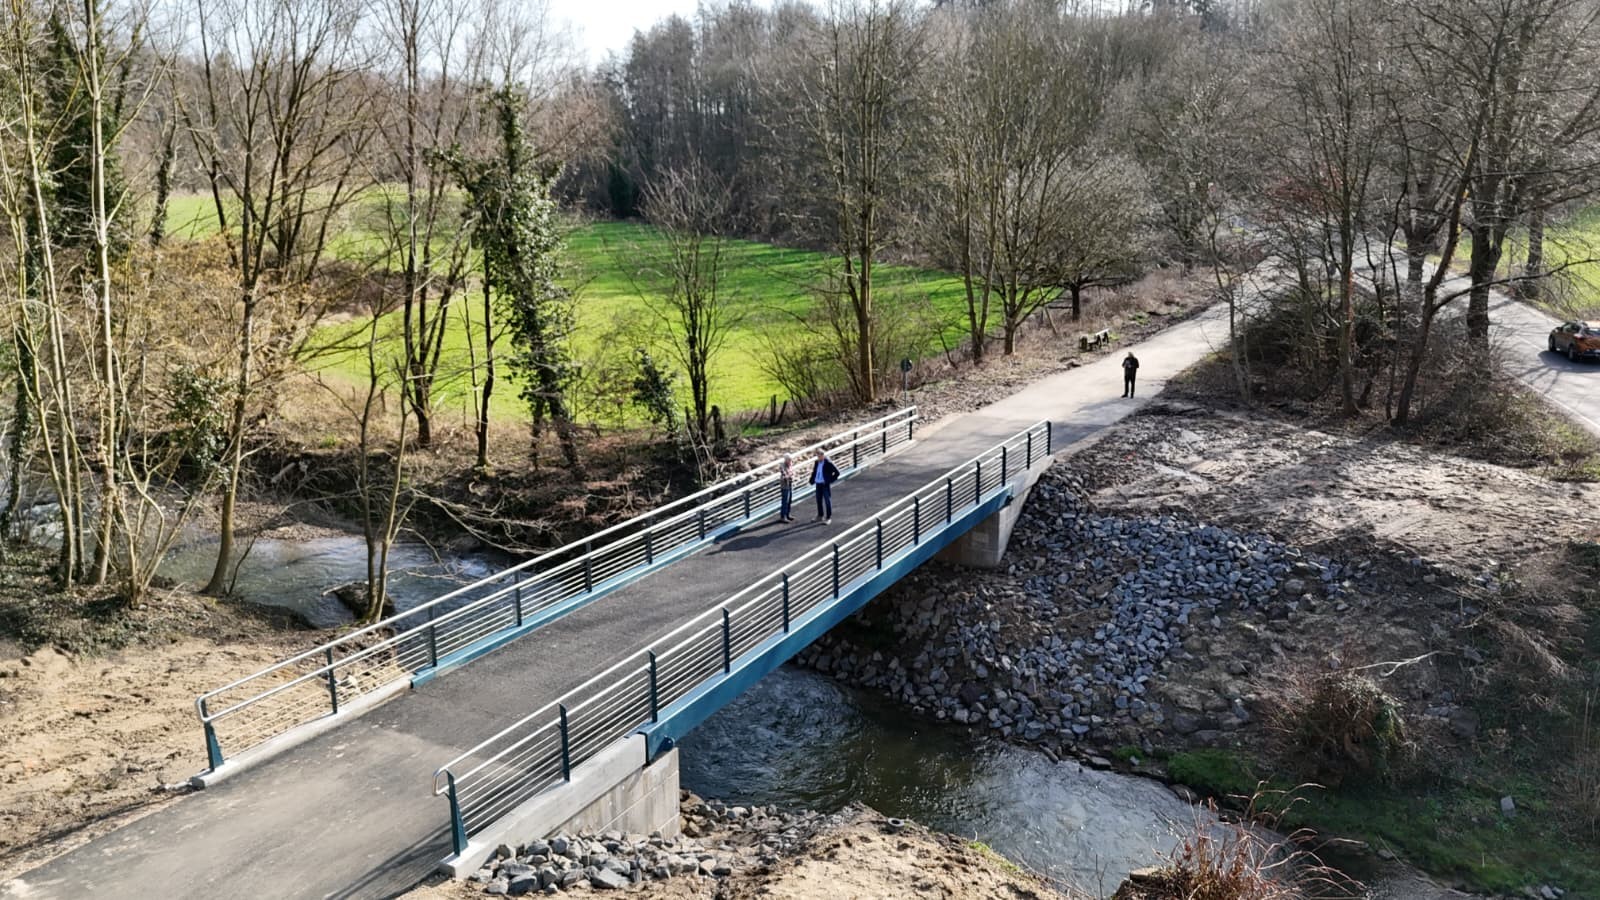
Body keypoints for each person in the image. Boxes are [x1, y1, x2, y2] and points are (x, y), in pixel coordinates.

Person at [810, 449, 841, 524]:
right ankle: (820, 516)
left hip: (825, 484)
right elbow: (815, 471)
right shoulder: (817, 462)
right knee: (818, 500)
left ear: (823, 455)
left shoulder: (828, 462)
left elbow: (837, 473)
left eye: (819, 456)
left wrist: (829, 480)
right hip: (818, 484)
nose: (818, 458)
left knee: (827, 500)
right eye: (817, 456)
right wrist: (812, 480)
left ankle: (828, 517)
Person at [777, 455, 795, 523]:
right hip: (785, 485)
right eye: (789, 460)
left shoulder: (790, 465)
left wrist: (791, 475)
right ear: (786, 460)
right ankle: (783, 516)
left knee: (789, 500)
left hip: (789, 484)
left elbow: (792, 472)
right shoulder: (782, 466)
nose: (790, 461)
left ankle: (788, 514)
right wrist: (789, 475)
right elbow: (784, 475)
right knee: (785, 501)